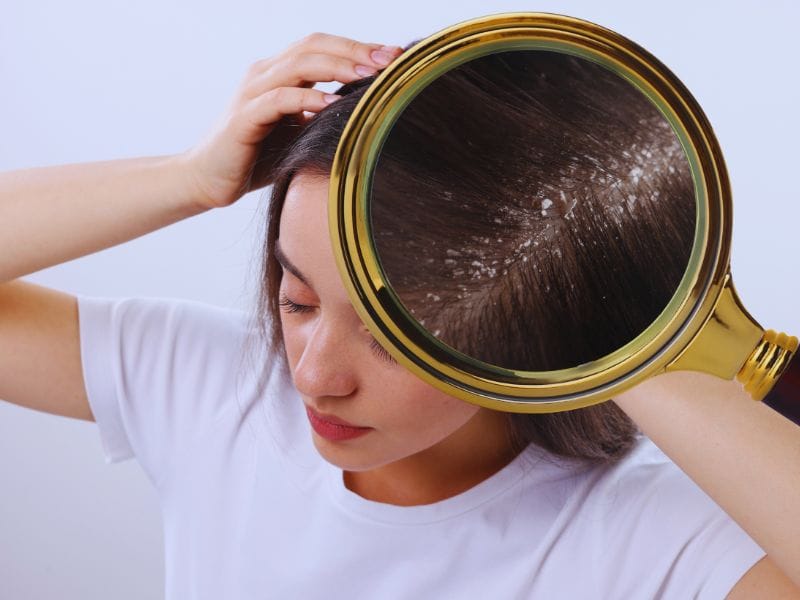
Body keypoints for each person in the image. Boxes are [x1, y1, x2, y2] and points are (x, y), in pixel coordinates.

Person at [0, 32, 798, 599]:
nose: (313, 376)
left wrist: (624, 329)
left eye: (393, 340)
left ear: (529, 325)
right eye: (296, 298)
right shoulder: (211, 390)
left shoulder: (651, 539)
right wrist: (189, 177)